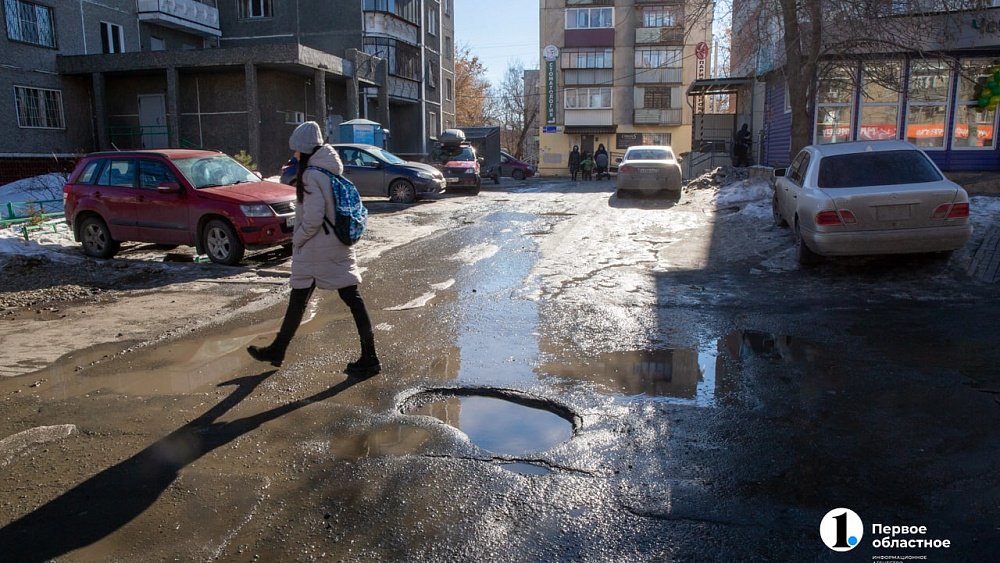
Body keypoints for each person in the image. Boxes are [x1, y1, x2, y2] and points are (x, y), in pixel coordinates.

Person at [247, 121, 380, 377]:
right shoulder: (329, 171)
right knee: (344, 299)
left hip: (317, 249)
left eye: (296, 150)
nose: (294, 155)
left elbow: (314, 216)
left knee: (306, 301)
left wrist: (297, 239)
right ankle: (279, 348)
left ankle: (369, 357)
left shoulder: (311, 175)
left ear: (305, 150)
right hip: (335, 246)